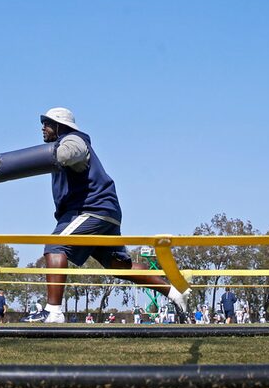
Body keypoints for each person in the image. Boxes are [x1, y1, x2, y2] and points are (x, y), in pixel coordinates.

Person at [21, 109, 191, 323]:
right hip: (106, 212)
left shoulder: (73, 139)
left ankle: (53, 311)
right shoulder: (61, 145)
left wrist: (41, 158)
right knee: (119, 267)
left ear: (59, 126)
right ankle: (176, 294)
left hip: (92, 209)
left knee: (55, 245)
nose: (42, 128)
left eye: (47, 123)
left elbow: (70, 152)